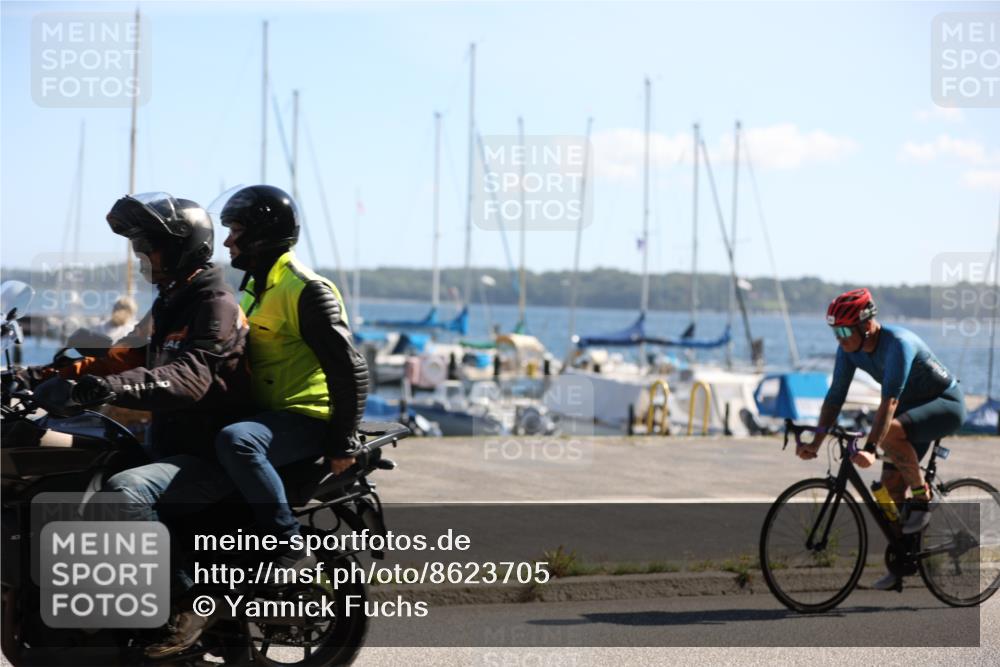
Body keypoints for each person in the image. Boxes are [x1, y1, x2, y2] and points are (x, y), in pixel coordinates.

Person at [32, 192, 252, 659]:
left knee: (125, 493)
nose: (141, 256)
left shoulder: (215, 303)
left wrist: (107, 389)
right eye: (138, 246)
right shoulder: (173, 299)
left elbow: (189, 376)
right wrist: (42, 374)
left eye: (149, 246)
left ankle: (188, 602)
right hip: (172, 446)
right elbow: (125, 355)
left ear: (182, 248)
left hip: (209, 455)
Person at [212, 184, 368, 563]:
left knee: (238, 442)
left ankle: (288, 543)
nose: (227, 241)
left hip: (307, 416)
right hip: (269, 415)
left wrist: (343, 441)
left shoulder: (307, 290)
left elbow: (350, 369)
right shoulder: (255, 286)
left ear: (262, 236)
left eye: (236, 231)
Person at [797, 288, 966, 590]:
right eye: (835, 332)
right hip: (910, 412)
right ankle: (902, 563)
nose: (840, 338)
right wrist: (816, 442)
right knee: (889, 490)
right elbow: (835, 398)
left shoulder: (897, 344)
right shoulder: (848, 351)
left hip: (944, 403)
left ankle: (923, 497)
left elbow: (889, 403)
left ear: (866, 324)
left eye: (844, 330)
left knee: (890, 435)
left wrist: (871, 448)